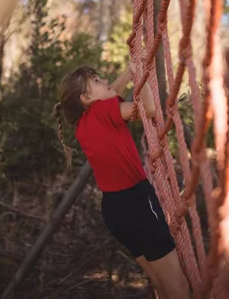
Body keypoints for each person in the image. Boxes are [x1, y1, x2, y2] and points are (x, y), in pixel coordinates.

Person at [53, 63, 190, 299]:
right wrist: (142, 75)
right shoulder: (104, 111)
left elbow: (110, 93)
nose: (105, 81)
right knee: (178, 287)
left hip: (114, 211)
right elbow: (148, 109)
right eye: (96, 81)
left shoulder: (83, 124)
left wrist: (128, 71)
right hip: (137, 203)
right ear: (86, 97)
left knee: (160, 283)